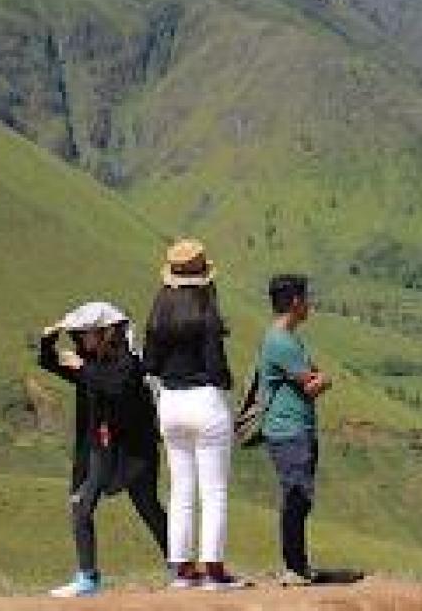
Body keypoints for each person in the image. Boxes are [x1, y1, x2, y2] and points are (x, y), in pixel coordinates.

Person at [38, 301, 168, 598]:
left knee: (148, 507)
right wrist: (48, 340)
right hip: (102, 447)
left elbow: (116, 387)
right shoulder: (89, 361)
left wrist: (82, 368)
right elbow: (50, 362)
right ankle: (88, 576)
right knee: (81, 505)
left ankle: (178, 565)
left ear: (104, 333)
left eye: (85, 333)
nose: (80, 339)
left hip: (135, 449)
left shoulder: (129, 362)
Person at [142, 239, 246, 590]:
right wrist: (226, 383)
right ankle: (214, 569)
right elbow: (217, 367)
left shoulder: (159, 313)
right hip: (205, 401)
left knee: (180, 489)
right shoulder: (206, 313)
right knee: (213, 491)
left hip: (171, 402)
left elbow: (150, 364)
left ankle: (183, 570)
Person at [259, 274, 331, 586]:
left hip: (293, 428)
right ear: (296, 302)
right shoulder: (283, 342)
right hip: (289, 430)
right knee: (296, 496)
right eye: (306, 299)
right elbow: (312, 383)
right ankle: (293, 566)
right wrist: (325, 379)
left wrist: (316, 377)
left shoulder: (283, 338)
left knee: (299, 495)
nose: (309, 305)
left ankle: (299, 565)